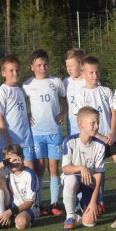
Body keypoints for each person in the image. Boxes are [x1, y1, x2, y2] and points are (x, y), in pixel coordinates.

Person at [23, 49, 66, 220]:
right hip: (36, 134)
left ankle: (54, 203)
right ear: (32, 66)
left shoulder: (56, 81)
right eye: (39, 65)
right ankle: (40, 204)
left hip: (54, 132)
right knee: (40, 168)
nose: (43, 68)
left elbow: (65, 99)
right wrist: (26, 115)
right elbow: (20, 103)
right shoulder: (27, 85)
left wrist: (63, 113)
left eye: (45, 64)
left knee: (54, 168)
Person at [74, 55, 116, 211]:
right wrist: (99, 136)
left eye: (97, 72)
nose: (95, 75)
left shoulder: (106, 91)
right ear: (83, 74)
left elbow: (114, 113)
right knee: (95, 170)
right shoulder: (81, 95)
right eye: (91, 73)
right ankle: (94, 201)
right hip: (94, 140)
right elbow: (83, 121)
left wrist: (111, 133)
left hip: (111, 138)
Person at [60, 107, 107, 230]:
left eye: (98, 123)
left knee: (89, 221)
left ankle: (84, 204)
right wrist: (81, 168)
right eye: (93, 123)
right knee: (70, 180)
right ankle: (70, 216)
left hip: (89, 182)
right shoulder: (69, 141)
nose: (96, 126)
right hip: (73, 179)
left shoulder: (100, 145)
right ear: (80, 124)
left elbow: (98, 175)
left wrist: (93, 202)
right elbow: (65, 168)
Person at [0, 144, 40, 230]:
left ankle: (18, 219)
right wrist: (5, 162)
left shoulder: (30, 174)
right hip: (12, 204)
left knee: (21, 223)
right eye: (10, 161)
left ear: (22, 158)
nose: (13, 163)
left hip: (29, 207)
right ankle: (2, 219)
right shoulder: (8, 169)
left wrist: (10, 211)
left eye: (15, 159)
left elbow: (29, 202)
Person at [0, 54, 34, 161]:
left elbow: (18, 110)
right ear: (3, 73)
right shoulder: (1, 92)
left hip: (25, 141)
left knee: (29, 172)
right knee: (12, 174)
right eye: (11, 70)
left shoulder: (20, 90)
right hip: (10, 143)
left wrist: (27, 115)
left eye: (17, 70)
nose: (15, 73)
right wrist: (8, 143)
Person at [63, 48, 86, 135]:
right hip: (72, 127)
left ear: (80, 64)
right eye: (67, 66)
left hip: (88, 126)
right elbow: (65, 100)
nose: (68, 69)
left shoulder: (88, 81)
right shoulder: (66, 82)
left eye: (71, 66)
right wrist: (64, 112)